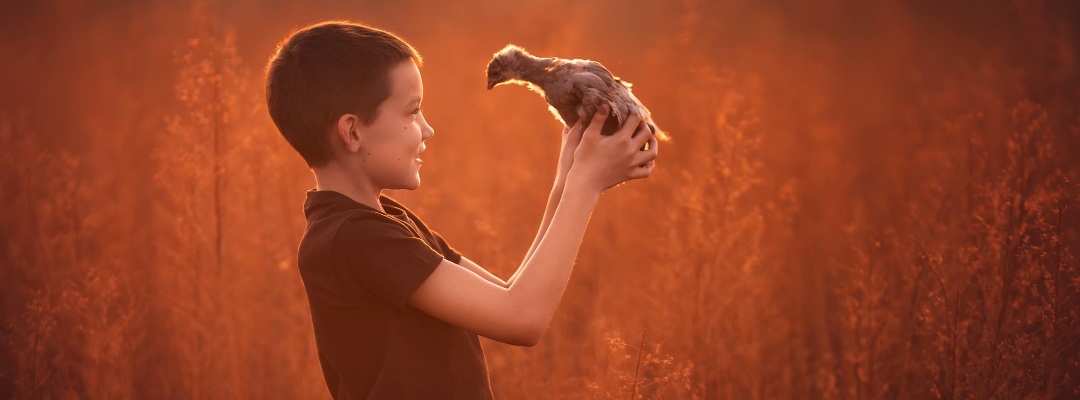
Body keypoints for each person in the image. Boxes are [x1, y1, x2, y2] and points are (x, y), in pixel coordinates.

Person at [264, 20, 658, 399]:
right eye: (412, 111)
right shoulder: (355, 240)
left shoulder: (384, 222)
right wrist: (584, 186)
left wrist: (568, 176)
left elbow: (508, 294)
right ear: (352, 132)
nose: (427, 128)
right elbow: (523, 319)